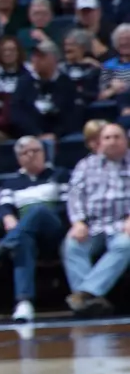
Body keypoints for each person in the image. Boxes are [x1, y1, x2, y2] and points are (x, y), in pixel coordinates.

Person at [0, 135, 67, 322]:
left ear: (44, 153)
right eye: (24, 153)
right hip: (26, 234)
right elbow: (4, 207)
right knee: (22, 241)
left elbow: (67, 206)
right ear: (19, 158)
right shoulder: (10, 183)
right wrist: (7, 216)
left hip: (55, 230)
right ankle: (24, 303)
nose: (31, 155)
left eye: (35, 151)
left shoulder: (60, 175)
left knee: (38, 210)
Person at [62, 122, 130, 316]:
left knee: (125, 245)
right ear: (100, 142)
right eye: (107, 138)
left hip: (122, 223)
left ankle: (85, 295)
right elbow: (74, 195)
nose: (112, 141)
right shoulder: (86, 165)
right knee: (72, 244)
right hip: (92, 224)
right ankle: (91, 300)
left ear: (126, 140)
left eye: (117, 137)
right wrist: (78, 222)